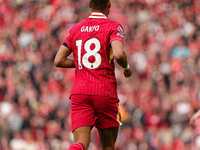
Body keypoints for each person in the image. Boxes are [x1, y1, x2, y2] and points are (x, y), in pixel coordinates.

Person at [54, 0, 133, 150]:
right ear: (109, 4)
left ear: (90, 4)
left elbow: (59, 60)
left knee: (80, 144)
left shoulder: (76, 28)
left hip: (80, 92)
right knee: (108, 146)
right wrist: (127, 68)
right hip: (105, 91)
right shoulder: (113, 27)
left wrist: (80, 61)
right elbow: (119, 53)